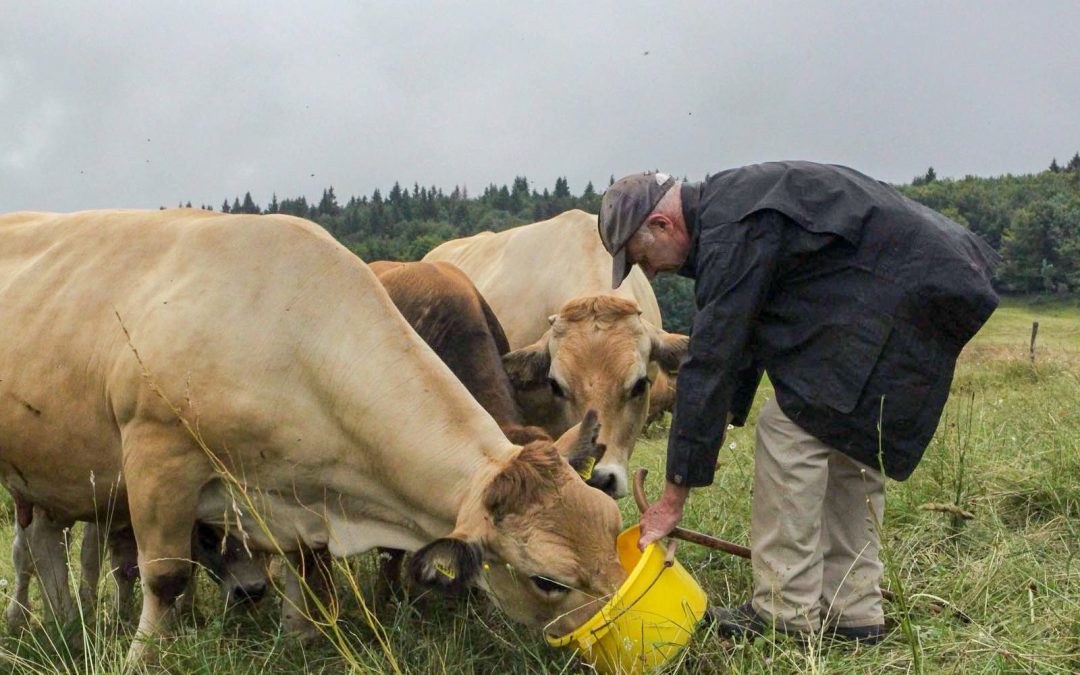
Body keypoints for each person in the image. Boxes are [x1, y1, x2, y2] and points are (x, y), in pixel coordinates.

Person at [598, 162, 999, 643]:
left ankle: (785, 613)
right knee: (847, 440)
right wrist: (719, 420)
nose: (652, 272)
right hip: (930, 278)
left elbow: (715, 356)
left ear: (663, 225)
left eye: (643, 258)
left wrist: (672, 497)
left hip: (907, 288)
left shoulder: (732, 229)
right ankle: (854, 613)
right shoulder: (735, 211)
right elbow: (743, 339)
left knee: (789, 429)